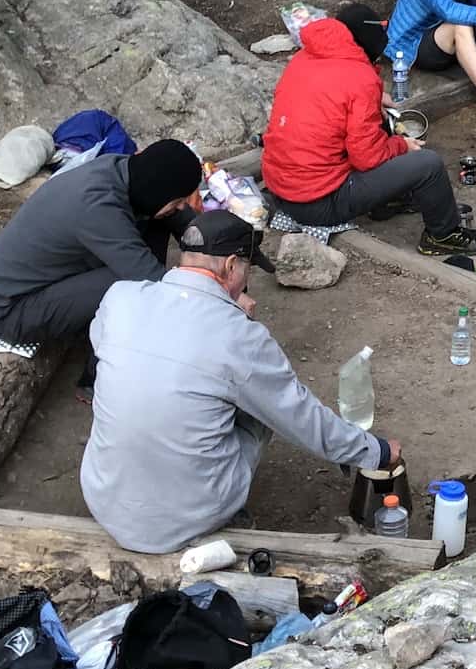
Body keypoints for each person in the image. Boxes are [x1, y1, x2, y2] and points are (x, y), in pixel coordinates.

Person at [80, 208, 403, 554]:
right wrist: (376, 452)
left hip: (105, 497)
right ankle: (228, 516)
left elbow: (115, 347)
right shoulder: (239, 337)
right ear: (231, 266)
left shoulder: (122, 297)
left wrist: (224, 309)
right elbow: (300, 418)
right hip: (188, 516)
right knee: (259, 407)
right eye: (247, 269)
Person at [262, 3, 476, 257]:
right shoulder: (360, 78)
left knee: (374, 128)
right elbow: (366, 157)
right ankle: (443, 235)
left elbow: (331, 98)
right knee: (428, 164)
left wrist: (374, 98)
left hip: (281, 188)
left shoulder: (305, 58)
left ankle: (387, 201)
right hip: (318, 203)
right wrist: (402, 145)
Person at [0, 138, 204, 345]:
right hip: (11, 311)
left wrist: (215, 241)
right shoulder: (98, 206)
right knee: (129, 284)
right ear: (157, 191)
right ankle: (94, 376)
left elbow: (180, 217)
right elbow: (150, 278)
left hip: (41, 280)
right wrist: (211, 300)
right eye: (178, 200)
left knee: (158, 219)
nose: (182, 206)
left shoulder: (121, 170)